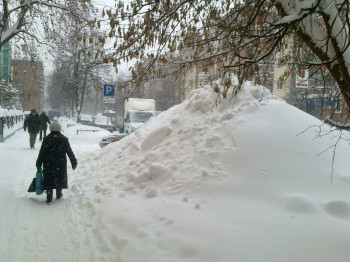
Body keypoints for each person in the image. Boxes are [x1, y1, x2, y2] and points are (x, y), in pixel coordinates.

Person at [36, 120, 78, 204]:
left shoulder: (46, 139)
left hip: (48, 163)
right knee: (60, 178)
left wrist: (38, 163)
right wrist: (74, 161)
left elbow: (42, 152)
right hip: (60, 163)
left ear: (50, 129)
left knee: (49, 178)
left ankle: (49, 195)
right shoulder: (64, 139)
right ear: (59, 129)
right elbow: (69, 151)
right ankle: (59, 193)